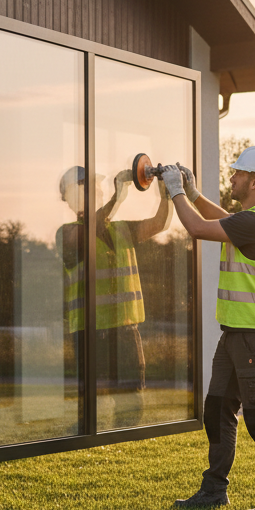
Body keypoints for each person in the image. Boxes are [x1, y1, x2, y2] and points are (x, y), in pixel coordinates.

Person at [159, 147, 255, 510]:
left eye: (236, 174)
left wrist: (177, 192)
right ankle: (214, 489)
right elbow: (223, 220)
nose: (231, 178)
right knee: (217, 408)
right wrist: (195, 193)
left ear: (254, 181)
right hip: (238, 332)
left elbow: (199, 229)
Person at [57, 165, 171, 424]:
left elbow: (160, 223)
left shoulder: (120, 229)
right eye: (90, 185)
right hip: (89, 331)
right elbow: (91, 229)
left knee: (131, 400)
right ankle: (83, 442)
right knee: (90, 405)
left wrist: (167, 192)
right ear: (72, 196)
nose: (97, 189)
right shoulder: (66, 233)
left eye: (97, 185)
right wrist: (118, 196)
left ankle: (121, 441)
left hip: (126, 329)